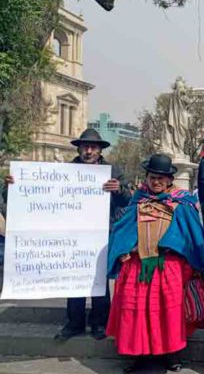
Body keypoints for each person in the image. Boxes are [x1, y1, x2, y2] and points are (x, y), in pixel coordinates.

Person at [4, 128, 132, 341]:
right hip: (72, 235)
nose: (89, 151)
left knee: (98, 280)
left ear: (100, 150)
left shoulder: (113, 171)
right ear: (79, 149)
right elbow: (36, 193)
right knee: (74, 279)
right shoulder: (66, 171)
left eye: (93, 147)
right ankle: (75, 323)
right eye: (85, 147)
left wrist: (119, 189)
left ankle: (99, 323)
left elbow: (128, 201)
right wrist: (11, 186)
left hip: (101, 234)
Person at [106, 154, 204, 373]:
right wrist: (126, 248)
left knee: (168, 313)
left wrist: (177, 249)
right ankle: (139, 355)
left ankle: (170, 354)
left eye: (161, 178)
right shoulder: (138, 199)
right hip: (138, 267)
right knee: (137, 312)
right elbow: (123, 229)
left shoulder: (183, 203)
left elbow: (192, 236)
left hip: (169, 267)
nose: (156, 182)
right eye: (152, 177)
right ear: (147, 177)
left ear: (169, 180)